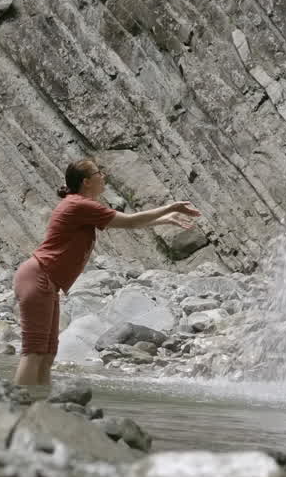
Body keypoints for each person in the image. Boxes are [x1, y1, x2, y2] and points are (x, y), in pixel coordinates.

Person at [13, 157, 201, 386]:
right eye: (99, 173)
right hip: (38, 277)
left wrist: (164, 219)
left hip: (43, 280)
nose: (104, 176)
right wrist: (170, 207)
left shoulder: (81, 205)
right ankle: (16, 408)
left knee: (47, 353)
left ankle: (38, 406)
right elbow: (130, 221)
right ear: (86, 182)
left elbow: (126, 223)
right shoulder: (79, 205)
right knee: (33, 352)